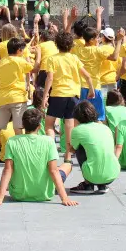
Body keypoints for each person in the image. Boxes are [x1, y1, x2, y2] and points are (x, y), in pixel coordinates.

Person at [0, 108, 77, 206]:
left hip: (18, 195)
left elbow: (8, 170)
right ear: (39, 126)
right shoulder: (48, 141)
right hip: (44, 194)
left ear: (23, 125)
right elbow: (53, 171)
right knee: (67, 165)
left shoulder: (12, 141)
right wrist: (65, 198)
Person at [0, 38, 33, 165]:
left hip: (3, 98)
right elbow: (32, 68)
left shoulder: (2, 62)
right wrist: (28, 56)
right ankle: (22, 155)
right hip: (18, 97)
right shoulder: (20, 61)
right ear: (19, 50)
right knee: (18, 127)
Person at [45, 32, 96, 163]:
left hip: (58, 94)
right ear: (71, 45)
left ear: (56, 44)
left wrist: (45, 95)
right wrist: (91, 89)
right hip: (73, 94)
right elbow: (88, 76)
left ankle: (51, 154)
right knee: (69, 125)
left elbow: (50, 78)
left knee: (49, 125)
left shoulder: (52, 59)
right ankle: (68, 157)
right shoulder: (74, 58)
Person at [69, 101, 121, 194]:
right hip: (113, 174)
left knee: (79, 147)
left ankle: (88, 184)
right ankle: (102, 185)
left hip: (92, 175)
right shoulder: (105, 128)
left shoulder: (77, 130)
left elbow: (72, 149)